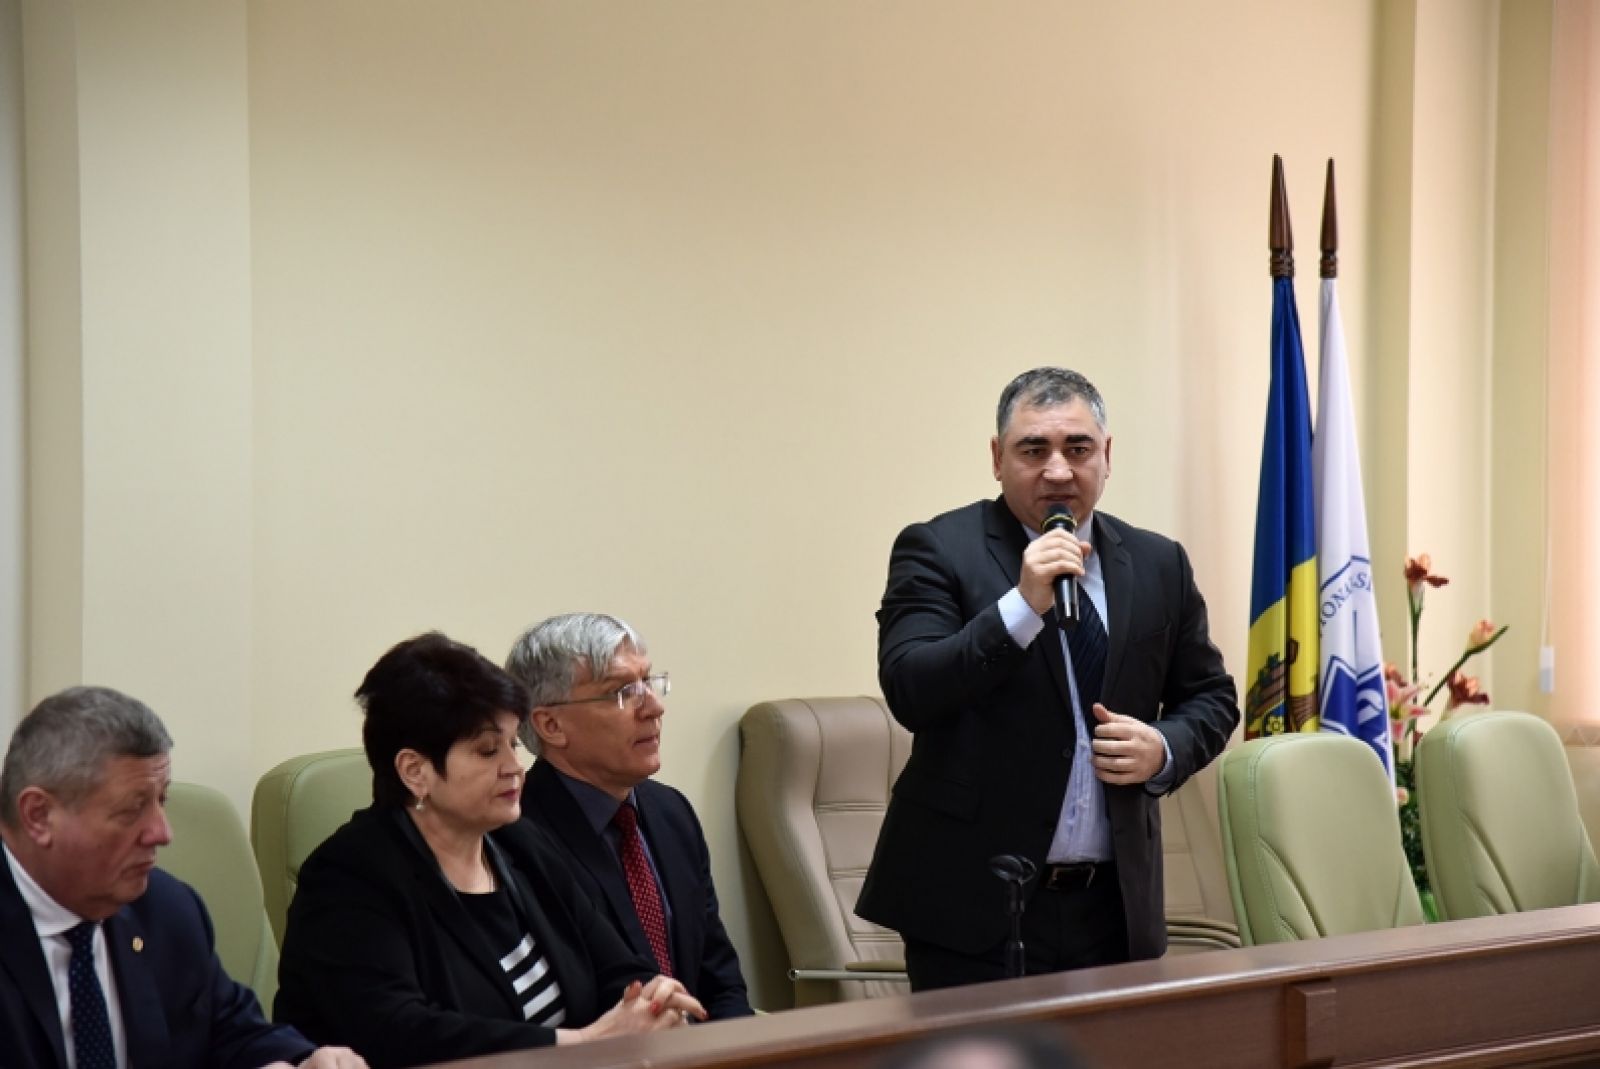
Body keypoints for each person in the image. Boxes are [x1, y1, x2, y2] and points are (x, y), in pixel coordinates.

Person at [856, 367, 1239, 990]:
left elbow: (1211, 697)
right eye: (1033, 450)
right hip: (975, 907)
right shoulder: (938, 549)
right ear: (997, 458)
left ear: (1107, 456)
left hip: (1115, 907)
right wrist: (1021, 606)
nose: (1058, 471)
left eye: (1077, 449)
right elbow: (911, 687)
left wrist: (1164, 748)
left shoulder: (1157, 562)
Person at [273, 633, 705, 1069]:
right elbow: (400, 1033)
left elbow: (616, 965)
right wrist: (584, 1043)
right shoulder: (348, 878)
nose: (514, 767)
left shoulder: (519, 841)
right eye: (486, 751)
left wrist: (652, 999)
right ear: (415, 771)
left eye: (512, 744)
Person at [0, 686, 364, 1069]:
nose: (162, 832)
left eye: (162, 801)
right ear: (39, 815)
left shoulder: (166, 909)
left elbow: (234, 1032)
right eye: (132, 810)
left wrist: (303, 1061)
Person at [504, 612, 753, 1019]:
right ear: (550, 725)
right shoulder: (516, 837)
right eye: (621, 692)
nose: (654, 707)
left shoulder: (671, 812)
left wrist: (739, 1047)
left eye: (649, 682)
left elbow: (719, 977)